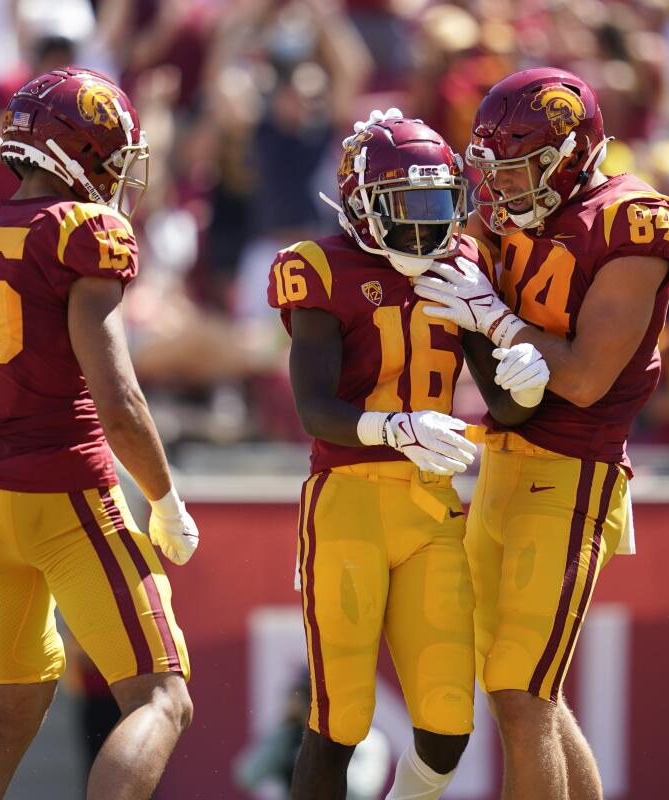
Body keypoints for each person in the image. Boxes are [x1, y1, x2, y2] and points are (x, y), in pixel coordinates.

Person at [0, 67, 198, 800]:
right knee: (162, 697)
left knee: (6, 716)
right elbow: (119, 399)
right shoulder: (81, 232)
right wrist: (164, 499)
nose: (117, 176)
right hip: (65, 494)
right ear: (80, 153)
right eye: (108, 155)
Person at [412, 67, 669, 800]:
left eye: (520, 166)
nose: (501, 187)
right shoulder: (508, 206)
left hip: (575, 470)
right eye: (493, 169)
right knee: (523, 691)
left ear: (572, 152)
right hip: (503, 460)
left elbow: (584, 378)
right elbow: (456, 246)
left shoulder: (634, 220)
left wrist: (494, 316)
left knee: (522, 690)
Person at [267, 111, 549, 800]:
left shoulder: (462, 262)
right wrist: (396, 428)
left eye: (438, 203)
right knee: (338, 724)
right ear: (362, 204)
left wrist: (526, 379)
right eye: (407, 206)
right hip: (348, 507)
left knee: (449, 724)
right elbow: (316, 410)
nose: (427, 224)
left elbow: (503, 403)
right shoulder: (319, 267)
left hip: (431, 509)